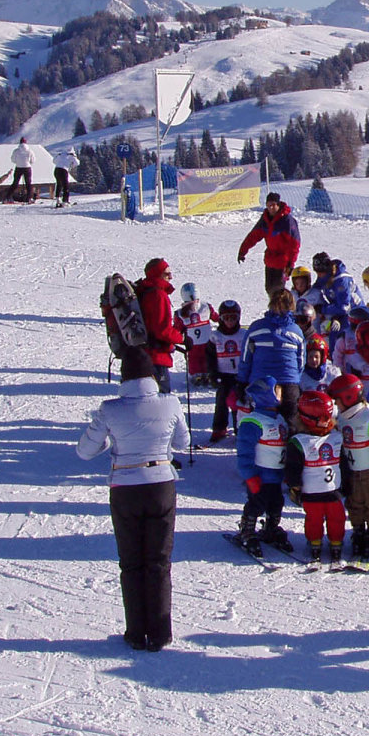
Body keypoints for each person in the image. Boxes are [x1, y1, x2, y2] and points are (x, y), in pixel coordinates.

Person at [76, 348, 188, 652]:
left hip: (125, 486)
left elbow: (84, 451)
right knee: (159, 561)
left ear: (123, 377)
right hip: (162, 483)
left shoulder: (110, 409)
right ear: (152, 375)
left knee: (131, 561)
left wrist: (112, 441)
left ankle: (136, 632)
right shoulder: (171, 403)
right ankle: (161, 632)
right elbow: (183, 442)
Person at [330, 374, 369, 563]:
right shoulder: (341, 417)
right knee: (354, 502)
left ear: (348, 397)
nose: (336, 405)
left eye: (337, 400)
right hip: (351, 469)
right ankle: (358, 531)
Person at [285, 391, 347, 568]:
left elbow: (344, 463)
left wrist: (347, 483)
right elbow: (292, 468)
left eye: (329, 417)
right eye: (322, 418)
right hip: (312, 492)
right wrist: (295, 486)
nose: (327, 421)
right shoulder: (300, 441)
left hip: (333, 490)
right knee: (314, 519)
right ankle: (315, 542)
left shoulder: (336, 437)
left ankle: (336, 543)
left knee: (337, 518)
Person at [234, 377, 291, 553]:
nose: (281, 397)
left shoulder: (279, 418)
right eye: (278, 392)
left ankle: (271, 527)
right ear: (267, 396)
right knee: (257, 502)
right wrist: (249, 475)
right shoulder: (253, 421)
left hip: (276, 475)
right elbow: (245, 452)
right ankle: (247, 529)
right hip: (259, 475)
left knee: (277, 502)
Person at [236, 288, 306, 426]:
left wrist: (242, 380)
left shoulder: (257, 328)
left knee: (261, 419)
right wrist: (295, 378)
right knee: (290, 421)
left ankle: (260, 444)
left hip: (261, 380)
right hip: (288, 381)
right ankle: (288, 444)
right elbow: (301, 360)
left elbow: (245, 356)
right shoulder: (296, 331)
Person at [133, 258, 185, 394]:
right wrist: (182, 338)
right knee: (161, 401)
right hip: (156, 357)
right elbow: (162, 330)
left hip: (143, 355)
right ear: (157, 274)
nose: (171, 277)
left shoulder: (145, 291)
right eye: (166, 273)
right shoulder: (158, 295)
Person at [236, 192, 300, 295]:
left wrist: (291, 263)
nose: (271, 208)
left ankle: (284, 308)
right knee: (269, 289)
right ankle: (275, 309)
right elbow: (253, 236)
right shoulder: (265, 219)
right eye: (268, 205)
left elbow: (294, 244)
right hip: (270, 260)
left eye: (273, 205)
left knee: (278, 290)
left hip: (283, 262)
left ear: (278, 205)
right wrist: (242, 251)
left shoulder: (287, 221)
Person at [207, 300, 246, 441]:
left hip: (240, 376)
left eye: (233, 318)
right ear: (221, 319)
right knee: (221, 402)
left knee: (239, 403)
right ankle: (219, 428)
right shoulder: (215, 337)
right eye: (226, 318)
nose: (230, 322)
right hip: (223, 375)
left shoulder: (243, 335)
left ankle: (239, 429)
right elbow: (210, 358)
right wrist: (212, 374)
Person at [175, 282, 217, 389]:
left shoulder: (205, 307)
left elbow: (216, 317)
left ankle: (207, 373)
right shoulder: (182, 313)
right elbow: (177, 329)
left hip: (205, 343)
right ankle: (197, 375)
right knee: (195, 359)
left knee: (206, 358)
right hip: (194, 344)